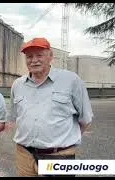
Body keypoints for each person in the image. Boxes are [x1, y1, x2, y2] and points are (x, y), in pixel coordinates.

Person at [8, 37, 93, 176]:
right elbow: (16, 116)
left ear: (50, 56)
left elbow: (86, 119)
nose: (34, 60)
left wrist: (62, 142)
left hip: (58, 156)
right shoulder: (18, 85)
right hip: (24, 155)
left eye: (39, 55)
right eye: (29, 56)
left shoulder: (71, 80)